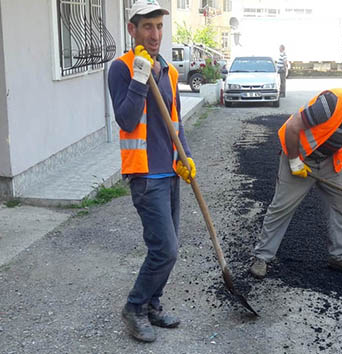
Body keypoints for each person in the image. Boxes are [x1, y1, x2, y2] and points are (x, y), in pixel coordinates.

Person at [108, 0, 196, 343]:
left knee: (169, 245)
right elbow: (126, 119)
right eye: (148, 27)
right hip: (144, 175)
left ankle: (153, 305)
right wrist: (140, 78)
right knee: (165, 249)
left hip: (170, 172)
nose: (155, 34)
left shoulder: (170, 71)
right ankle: (134, 307)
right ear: (133, 29)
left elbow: (175, 121)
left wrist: (186, 156)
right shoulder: (122, 68)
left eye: (159, 27)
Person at [249, 83, 342, 279]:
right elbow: (292, 126)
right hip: (300, 156)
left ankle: (338, 257)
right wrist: (294, 161)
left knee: (341, 205)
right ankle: (262, 257)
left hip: (329, 162)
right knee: (282, 206)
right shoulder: (331, 103)